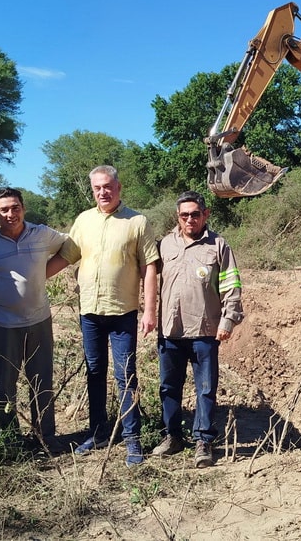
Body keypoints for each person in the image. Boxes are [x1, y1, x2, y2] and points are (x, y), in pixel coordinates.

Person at [0, 187, 80, 454]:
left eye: (15, 207)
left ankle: (45, 437)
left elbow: (69, 246)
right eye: (4, 209)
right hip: (2, 323)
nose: (10, 214)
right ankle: (8, 440)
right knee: (5, 383)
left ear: (23, 208)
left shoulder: (41, 234)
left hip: (39, 319)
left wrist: (44, 274)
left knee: (42, 380)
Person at [67, 165, 159, 467]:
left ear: (118, 187)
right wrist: (32, 275)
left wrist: (149, 311)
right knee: (94, 373)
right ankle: (98, 433)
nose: (102, 192)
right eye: (97, 188)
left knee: (125, 376)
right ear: (92, 190)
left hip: (122, 312)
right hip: (90, 313)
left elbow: (149, 267)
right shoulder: (83, 220)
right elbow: (66, 255)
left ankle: (132, 438)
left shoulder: (137, 221)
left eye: (107, 186)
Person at [151, 191, 244, 468]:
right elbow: (144, 275)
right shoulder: (165, 245)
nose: (189, 219)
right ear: (177, 217)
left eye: (195, 214)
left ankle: (203, 440)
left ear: (206, 214)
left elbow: (231, 285)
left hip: (205, 330)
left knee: (205, 389)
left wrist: (228, 320)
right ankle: (172, 436)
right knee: (168, 387)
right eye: (184, 215)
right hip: (170, 331)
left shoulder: (218, 246)